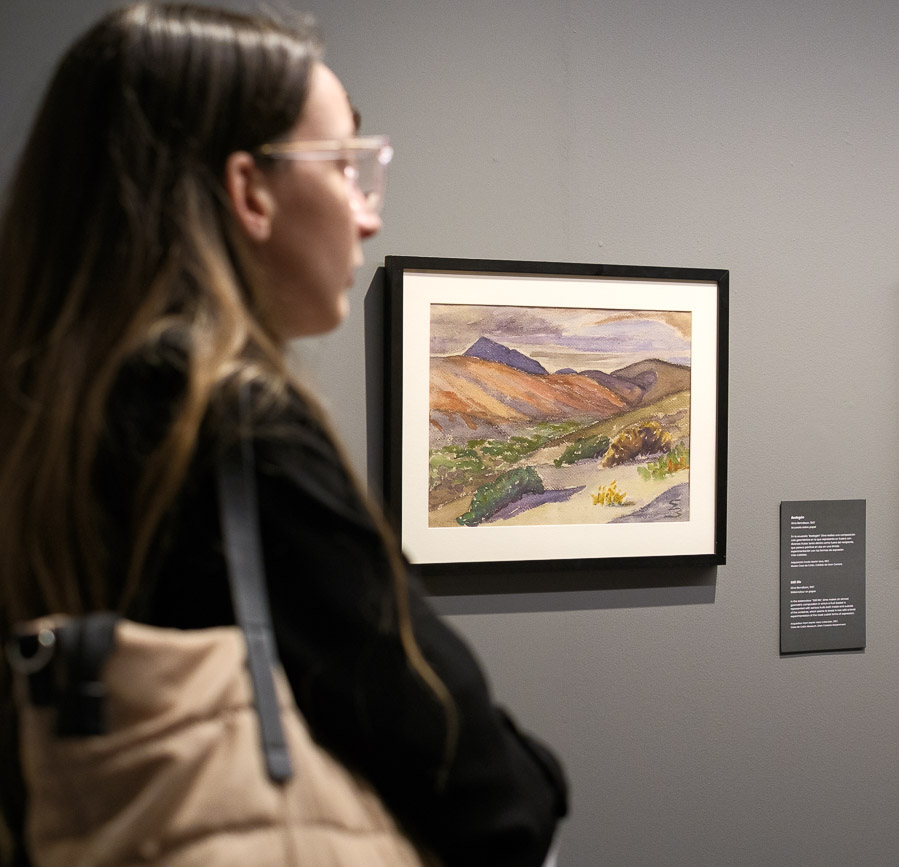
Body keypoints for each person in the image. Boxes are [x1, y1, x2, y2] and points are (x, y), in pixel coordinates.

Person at [0, 3, 567, 865]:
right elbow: (477, 780)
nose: (366, 215)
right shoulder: (224, 425)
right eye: (344, 167)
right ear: (249, 191)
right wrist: (543, 778)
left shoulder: (40, 420)